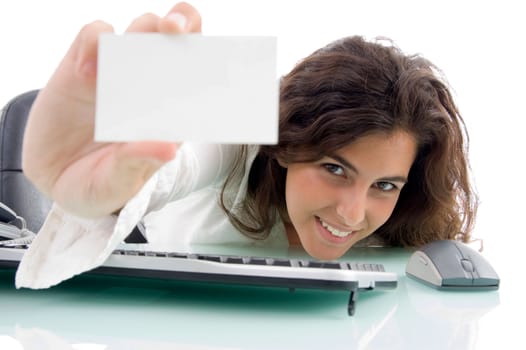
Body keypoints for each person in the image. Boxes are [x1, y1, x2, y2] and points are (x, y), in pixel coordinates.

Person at [15, 2, 477, 289]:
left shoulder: (403, 224)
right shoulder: (242, 132)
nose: (352, 214)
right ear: (288, 145)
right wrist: (109, 188)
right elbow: (176, 167)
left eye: (385, 185)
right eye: (335, 169)